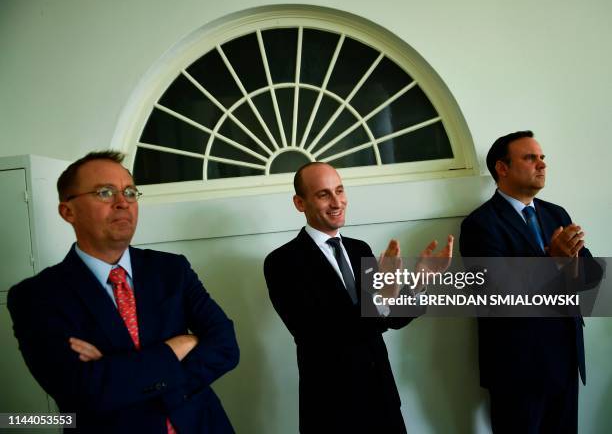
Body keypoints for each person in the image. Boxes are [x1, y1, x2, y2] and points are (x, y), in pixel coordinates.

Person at [7, 151, 239, 433]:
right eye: (105, 192)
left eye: (129, 192)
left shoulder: (171, 270)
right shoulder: (36, 297)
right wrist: (177, 346)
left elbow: (226, 346)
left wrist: (119, 374)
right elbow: (81, 391)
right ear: (68, 211)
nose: (122, 203)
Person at [263, 162, 452, 433]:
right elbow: (315, 332)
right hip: (331, 410)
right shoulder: (282, 262)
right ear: (299, 203)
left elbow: (389, 320)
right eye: (323, 194)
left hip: (384, 401)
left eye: (339, 190)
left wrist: (419, 281)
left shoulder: (358, 249)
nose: (337, 201)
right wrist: (384, 295)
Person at [459, 131, 603, 433]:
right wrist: (554, 262)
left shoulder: (556, 213)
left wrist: (571, 264)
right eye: (530, 157)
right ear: (502, 168)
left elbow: (590, 276)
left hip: (565, 359)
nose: (541, 164)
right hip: (517, 368)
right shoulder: (479, 224)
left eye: (542, 158)